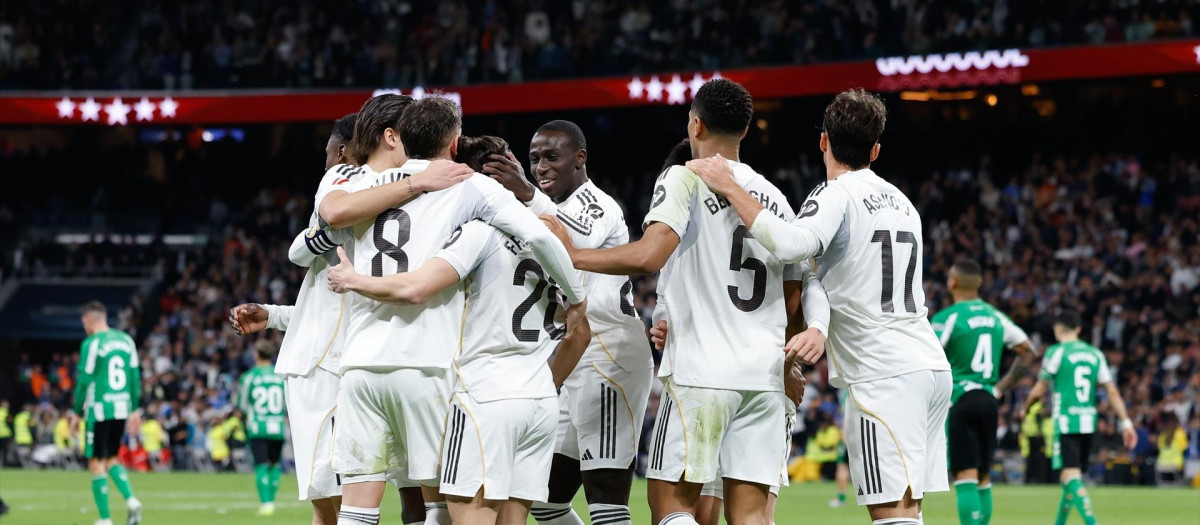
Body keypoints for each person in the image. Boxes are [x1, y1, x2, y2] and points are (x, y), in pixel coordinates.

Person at [544, 78, 825, 525]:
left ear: (695, 125)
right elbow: (794, 294)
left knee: (671, 507)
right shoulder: (775, 198)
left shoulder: (684, 177)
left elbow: (650, 253)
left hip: (701, 372)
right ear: (746, 131)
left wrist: (571, 254)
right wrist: (791, 364)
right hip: (765, 375)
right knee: (751, 516)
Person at [686, 88, 953, 525]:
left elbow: (793, 245)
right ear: (876, 149)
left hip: (883, 371)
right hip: (927, 365)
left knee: (892, 516)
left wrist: (731, 187)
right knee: (907, 512)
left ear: (824, 141)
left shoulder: (836, 194)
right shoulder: (904, 203)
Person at [330, 96, 586, 525]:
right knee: (442, 507)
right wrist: (577, 296)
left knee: (357, 510)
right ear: (453, 143)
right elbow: (540, 238)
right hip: (433, 364)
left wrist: (354, 279)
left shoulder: (358, 183)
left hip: (360, 361)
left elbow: (322, 220)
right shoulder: (468, 187)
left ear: (399, 138)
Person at [229, 108, 471, 525]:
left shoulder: (368, 181)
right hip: (351, 359)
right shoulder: (373, 186)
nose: (329, 164)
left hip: (363, 359)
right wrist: (273, 315)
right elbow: (314, 269)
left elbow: (321, 258)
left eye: (330, 154)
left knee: (402, 494)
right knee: (354, 495)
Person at [484, 120, 653, 525]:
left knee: (605, 500)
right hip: (571, 357)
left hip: (610, 356)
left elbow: (569, 243)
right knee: (542, 498)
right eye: (534, 159)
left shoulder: (598, 204)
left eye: (551, 157)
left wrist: (524, 191)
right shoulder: (534, 210)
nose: (540, 167)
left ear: (580, 159)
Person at [930, 259, 1039, 525]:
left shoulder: (948, 317)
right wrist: (1000, 388)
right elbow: (1028, 352)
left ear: (952, 282)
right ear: (979, 283)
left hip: (961, 399)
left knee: (965, 476)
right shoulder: (995, 316)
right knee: (984, 477)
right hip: (989, 400)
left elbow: (926, 356)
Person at [1022, 311, 1137, 525]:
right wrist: (1126, 422)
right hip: (1088, 423)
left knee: (1070, 477)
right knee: (1070, 478)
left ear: (1057, 330)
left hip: (1066, 423)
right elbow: (1112, 392)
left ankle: (1092, 522)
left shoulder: (1056, 352)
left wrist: (1025, 407)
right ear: (1078, 329)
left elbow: (1039, 389)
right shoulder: (1095, 354)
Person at [71, 301, 143, 525]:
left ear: (89, 320)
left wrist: (76, 412)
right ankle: (131, 500)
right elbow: (134, 378)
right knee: (111, 458)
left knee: (95, 461)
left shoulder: (91, 344)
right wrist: (134, 409)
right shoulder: (126, 340)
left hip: (99, 408)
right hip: (121, 407)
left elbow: (84, 380)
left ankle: (105, 519)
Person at [238, 341, 288, 516]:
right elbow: (287, 403)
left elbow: (243, 405)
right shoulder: (281, 376)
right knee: (274, 464)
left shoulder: (249, 376)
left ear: (256, 355)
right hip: (277, 427)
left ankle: (266, 503)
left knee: (261, 465)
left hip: (258, 427)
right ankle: (272, 501)